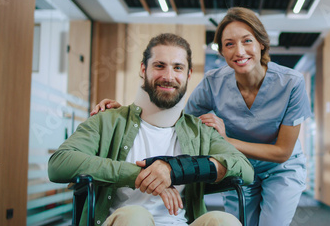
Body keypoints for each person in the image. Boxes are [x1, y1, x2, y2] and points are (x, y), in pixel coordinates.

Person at [92, 7, 313, 226]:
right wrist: (130, 112)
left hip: (280, 168)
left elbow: (282, 152)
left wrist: (227, 142)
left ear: (261, 43)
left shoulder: (291, 83)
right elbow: (177, 121)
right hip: (237, 166)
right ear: (222, 52)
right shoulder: (213, 82)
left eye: (247, 41)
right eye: (229, 44)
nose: (239, 51)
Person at [49, 33, 254, 226]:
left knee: (224, 221)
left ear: (188, 74)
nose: (168, 76)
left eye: (178, 68)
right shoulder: (108, 120)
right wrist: (140, 175)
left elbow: (245, 169)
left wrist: (174, 170)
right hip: (126, 221)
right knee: (136, 216)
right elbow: (59, 164)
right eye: (159, 65)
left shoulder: (200, 131)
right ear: (143, 69)